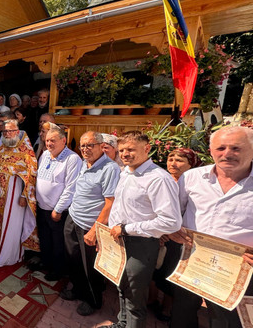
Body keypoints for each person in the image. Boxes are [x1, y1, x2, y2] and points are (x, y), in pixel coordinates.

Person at [169, 126, 253, 328]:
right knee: (183, 310)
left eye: (236, 148)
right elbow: (176, 212)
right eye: (221, 148)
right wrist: (172, 229)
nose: (227, 154)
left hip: (238, 265)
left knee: (227, 319)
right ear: (211, 151)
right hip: (191, 257)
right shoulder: (192, 178)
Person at [102, 131, 182, 328]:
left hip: (141, 244)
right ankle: (122, 323)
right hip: (121, 239)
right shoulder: (125, 172)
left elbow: (171, 222)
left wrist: (127, 229)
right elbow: (120, 206)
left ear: (146, 148)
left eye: (131, 149)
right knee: (123, 286)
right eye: (122, 150)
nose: (125, 154)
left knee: (135, 296)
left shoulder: (158, 179)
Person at [61, 131, 120, 316]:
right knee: (74, 260)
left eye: (90, 145)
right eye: (82, 145)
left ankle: (92, 300)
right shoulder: (83, 163)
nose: (85, 149)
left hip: (90, 225)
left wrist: (95, 230)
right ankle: (78, 290)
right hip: (73, 218)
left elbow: (110, 203)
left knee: (90, 267)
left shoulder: (110, 168)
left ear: (102, 146)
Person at [147, 147, 201, 322]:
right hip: (156, 232)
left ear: (190, 164)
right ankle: (152, 300)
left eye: (179, 160)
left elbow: (187, 213)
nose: (173, 163)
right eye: (171, 159)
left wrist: (170, 231)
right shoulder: (161, 179)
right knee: (155, 269)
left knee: (172, 272)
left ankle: (168, 307)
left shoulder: (194, 184)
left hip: (179, 236)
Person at [0, 119, 39, 266]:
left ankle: (6, 254)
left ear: (17, 132)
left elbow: (31, 174)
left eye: (11, 131)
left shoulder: (26, 151)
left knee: (10, 225)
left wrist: (24, 195)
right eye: (5, 131)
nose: (8, 134)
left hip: (14, 196)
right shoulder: (2, 148)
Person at [34, 127, 82, 281]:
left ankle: (58, 270)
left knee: (58, 243)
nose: (49, 143)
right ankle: (46, 263)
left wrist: (58, 209)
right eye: (47, 140)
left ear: (64, 140)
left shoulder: (73, 159)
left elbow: (71, 187)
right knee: (45, 238)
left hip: (57, 211)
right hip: (41, 207)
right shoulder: (45, 155)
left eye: (53, 140)